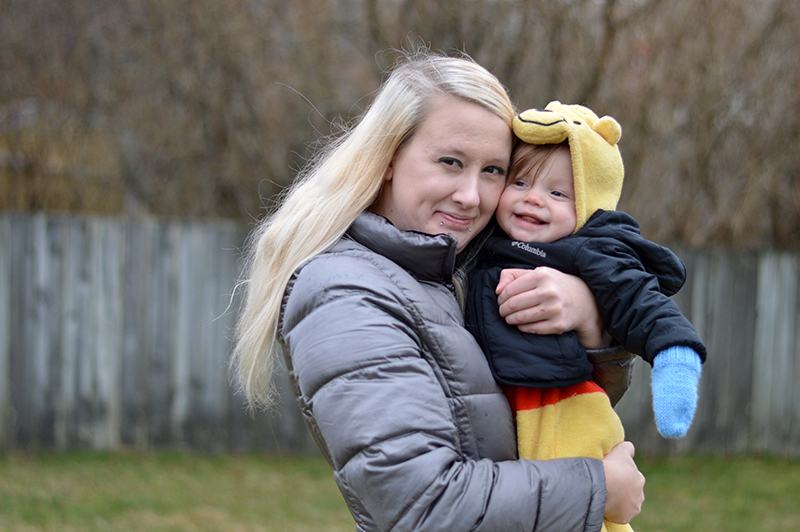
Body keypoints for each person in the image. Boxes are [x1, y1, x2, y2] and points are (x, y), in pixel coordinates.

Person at [231, 52, 645, 531]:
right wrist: (599, 489)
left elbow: (545, 402)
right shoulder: (344, 291)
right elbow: (421, 507)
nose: (471, 195)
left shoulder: (440, 275)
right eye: (451, 162)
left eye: (493, 170)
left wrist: (589, 325)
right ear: (387, 159)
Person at [466, 102, 706, 531]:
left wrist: (675, 355)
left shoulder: (591, 251)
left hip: (566, 404)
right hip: (510, 408)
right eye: (520, 181)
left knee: (587, 517)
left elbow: (642, 302)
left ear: (589, 202)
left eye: (558, 193)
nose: (533, 198)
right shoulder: (482, 241)